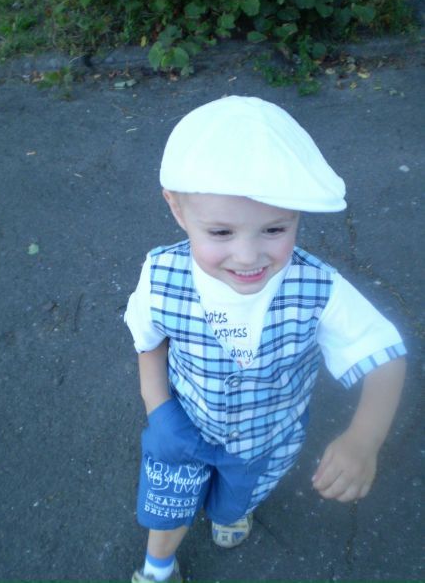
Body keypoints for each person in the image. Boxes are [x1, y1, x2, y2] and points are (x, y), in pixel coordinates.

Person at [124, 96, 406, 583]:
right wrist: (158, 409)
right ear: (177, 208)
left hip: (266, 439)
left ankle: (232, 511)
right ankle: (157, 567)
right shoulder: (161, 274)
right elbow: (149, 341)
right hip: (182, 426)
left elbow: (384, 355)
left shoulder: (318, 288)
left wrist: (364, 438)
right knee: (169, 504)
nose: (248, 255)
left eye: (275, 228)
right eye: (220, 232)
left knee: (238, 495)